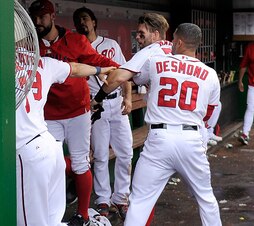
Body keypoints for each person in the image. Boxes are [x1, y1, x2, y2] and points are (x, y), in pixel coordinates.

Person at [92, 22, 222, 226]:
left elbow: (120, 77)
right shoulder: (210, 74)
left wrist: (98, 98)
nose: (170, 43)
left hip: (158, 140)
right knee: (206, 199)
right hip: (191, 139)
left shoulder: (156, 61)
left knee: (140, 202)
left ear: (178, 42)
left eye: (173, 40)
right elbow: (209, 114)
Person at [28, 1, 122, 225]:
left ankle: (83, 213)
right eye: (35, 17)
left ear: (52, 16)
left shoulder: (75, 40)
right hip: (48, 115)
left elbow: (101, 63)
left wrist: (114, 73)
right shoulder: (30, 45)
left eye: (42, 17)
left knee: (80, 163)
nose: (38, 22)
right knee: (50, 163)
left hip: (78, 112)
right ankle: (52, 214)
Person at [16, 50, 114, 226]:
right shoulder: (42, 61)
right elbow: (75, 68)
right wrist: (99, 71)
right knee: (52, 220)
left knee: (31, 222)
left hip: (28, 150)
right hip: (49, 146)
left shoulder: (6, 65)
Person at [72, 7, 133, 219]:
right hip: (95, 106)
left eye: (85, 18)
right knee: (99, 155)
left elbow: (123, 72)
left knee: (125, 152)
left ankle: (121, 198)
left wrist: (128, 97)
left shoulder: (110, 45)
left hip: (116, 104)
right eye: (78, 20)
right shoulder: (76, 48)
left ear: (94, 22)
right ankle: (103, 200)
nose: (82, 22)